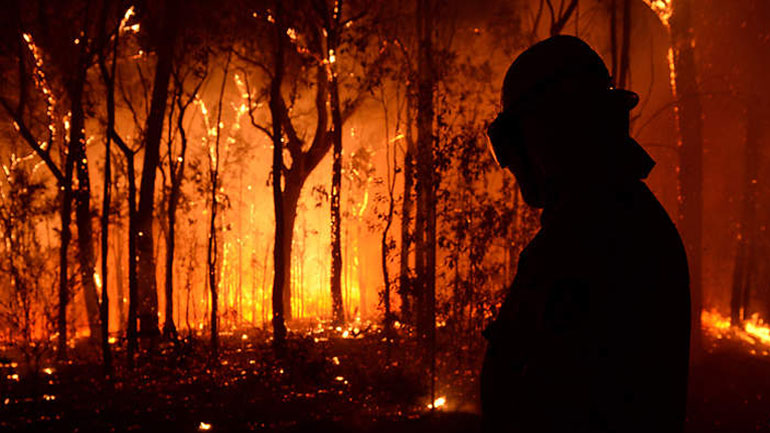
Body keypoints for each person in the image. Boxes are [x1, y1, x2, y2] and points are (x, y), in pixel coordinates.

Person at [482, 35, 691, 433]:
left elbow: (542, 393)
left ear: (549, 132)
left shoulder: (587, 239)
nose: (511, 163)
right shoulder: (627, 218)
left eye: (514, 140)